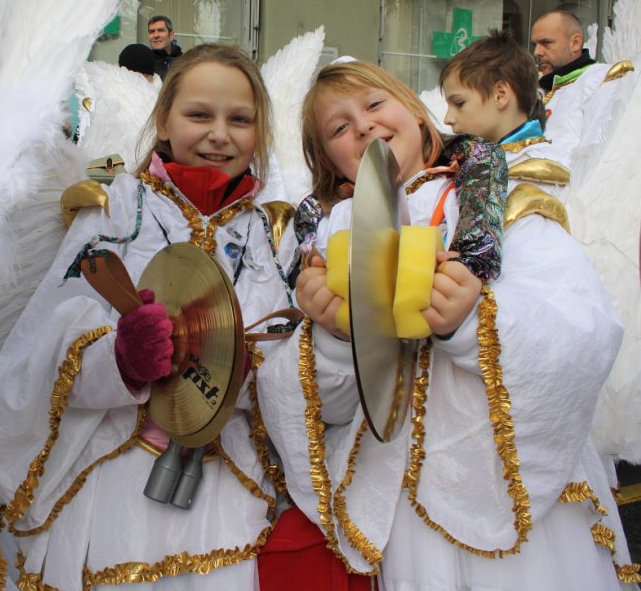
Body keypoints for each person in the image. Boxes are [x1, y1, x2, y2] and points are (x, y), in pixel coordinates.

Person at [256, 58, 641, 589]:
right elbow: (320, 410)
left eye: (374, 105)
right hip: (402, 516)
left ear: (418, 113)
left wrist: (471, 323)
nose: (363, 126)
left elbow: (583, 328)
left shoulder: (503, 198)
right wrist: (336, 338)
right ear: (327, 159)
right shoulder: (324, 242)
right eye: (339, 127)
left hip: (514, 494)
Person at [0, 43, 296, 589]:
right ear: (163, 121)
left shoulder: (268, 234)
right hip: (114, 488)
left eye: (240, 120)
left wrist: (245, 374)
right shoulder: (117, 207)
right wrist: (120, 360)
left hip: (229, 497)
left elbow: (289, 361)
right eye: (198, 114)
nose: (219, 134)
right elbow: (40, 347)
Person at [440, 28, 569, 199]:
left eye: (459, 103)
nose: (447, 119)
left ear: (500, 95)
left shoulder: (534, 174)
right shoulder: (491, 160)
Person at [531, 10, 635, 168]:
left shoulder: (600, 80)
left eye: (546, 43)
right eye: (535, 45)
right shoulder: (536, 88)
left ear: (575, 43)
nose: (537, 52)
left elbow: (597, 153)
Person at [148, 15, 183, 80]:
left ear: (171, 35)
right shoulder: (143, 62)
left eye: (161, 30)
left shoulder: (185, 61)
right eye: (152, 32)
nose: (156, 35)